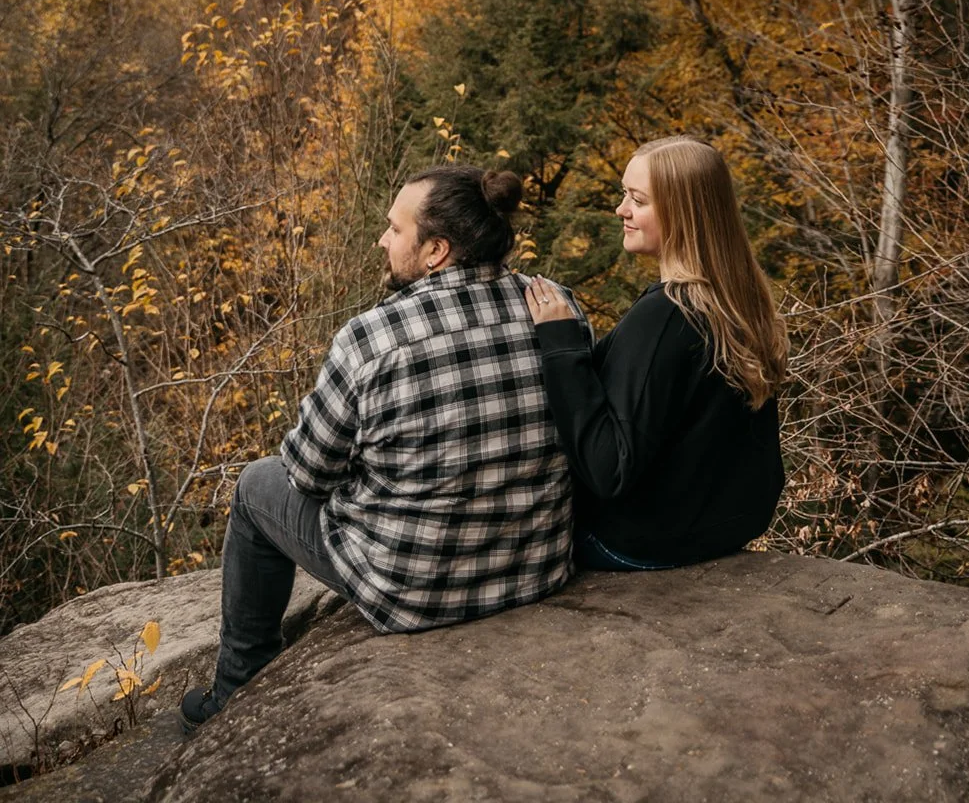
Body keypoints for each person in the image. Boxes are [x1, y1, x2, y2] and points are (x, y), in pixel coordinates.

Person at [182, 165, 588, 734]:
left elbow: (305, 470)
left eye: (395, 230)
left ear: (436, 252)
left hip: (413, 592)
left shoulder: (372, 337)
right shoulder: (556, 305)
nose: (382, 240)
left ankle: (235, 689)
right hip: (535, 570)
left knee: (256, 485)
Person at [525, 136, 788, 571]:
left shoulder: (667, 314)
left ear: (684, 214)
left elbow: (608, 468)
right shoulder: (736, 299)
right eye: (624, 194)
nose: (621, 210)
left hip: (639, 544)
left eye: (638, 200)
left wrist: (561, 346)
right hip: (725, 529)